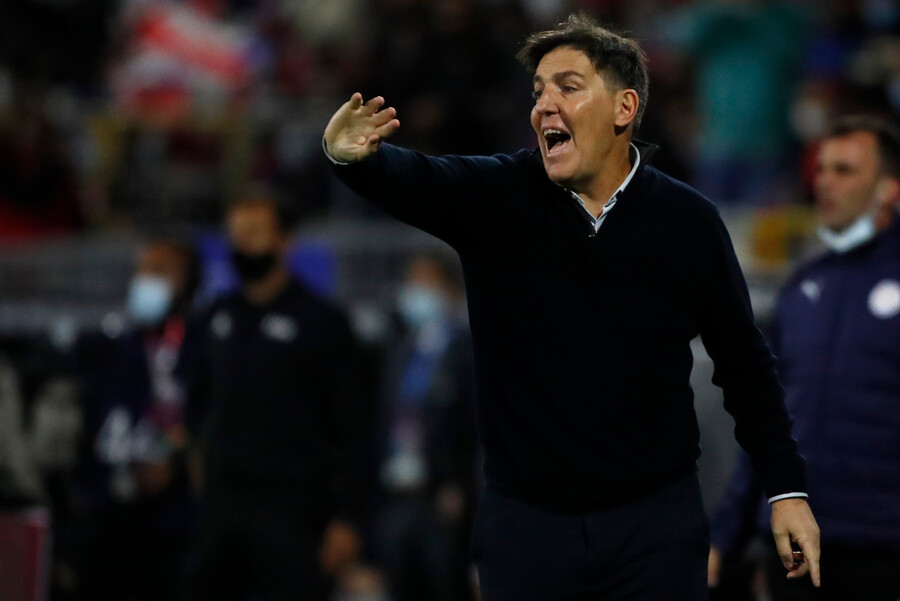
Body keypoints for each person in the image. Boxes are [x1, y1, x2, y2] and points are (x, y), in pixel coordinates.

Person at [323, 12, 820, 601]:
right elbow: (419, 177)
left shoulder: (688, 223)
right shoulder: (499, 197)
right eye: (538, 92)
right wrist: (355, 158)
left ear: (624, 108)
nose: (544, 106)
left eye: (568, 86)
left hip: (654, 527)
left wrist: (787, 490)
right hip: (527, 528)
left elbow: (746, 368)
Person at [708, 115, 900, 600]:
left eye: (844, 170)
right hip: (793, 548)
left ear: (889, 189)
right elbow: (766, 424)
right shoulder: (801, 289)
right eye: (820, 170)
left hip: (882, 552)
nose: (824, 182)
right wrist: (725, 537)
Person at [185, 196, 372, 601]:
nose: (242, 245)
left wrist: (348, 517)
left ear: (285, 241)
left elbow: (355, 426)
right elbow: (195, 398)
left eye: (254, 233)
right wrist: (196, 454)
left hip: (293, 512)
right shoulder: (214, 317)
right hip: (221, 508)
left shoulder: (322, 323)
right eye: (236, 235)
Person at [66, 236, 199, 601]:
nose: (147, 280)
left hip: (173, 521)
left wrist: (177, 457)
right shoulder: (107, 345)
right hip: (105, 514)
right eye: (144, 270)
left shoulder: (202, 348)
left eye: (161, 271)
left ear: (188, 283)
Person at [374, 253, 479, 601]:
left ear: (447, 288)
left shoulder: (466, 349)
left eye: (425, 281)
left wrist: (459, 485)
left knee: (445, 586)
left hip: (441, 498)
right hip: (398, 493)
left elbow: (473, 429)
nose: (415, 290)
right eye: (412, 281)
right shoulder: (402, 349)